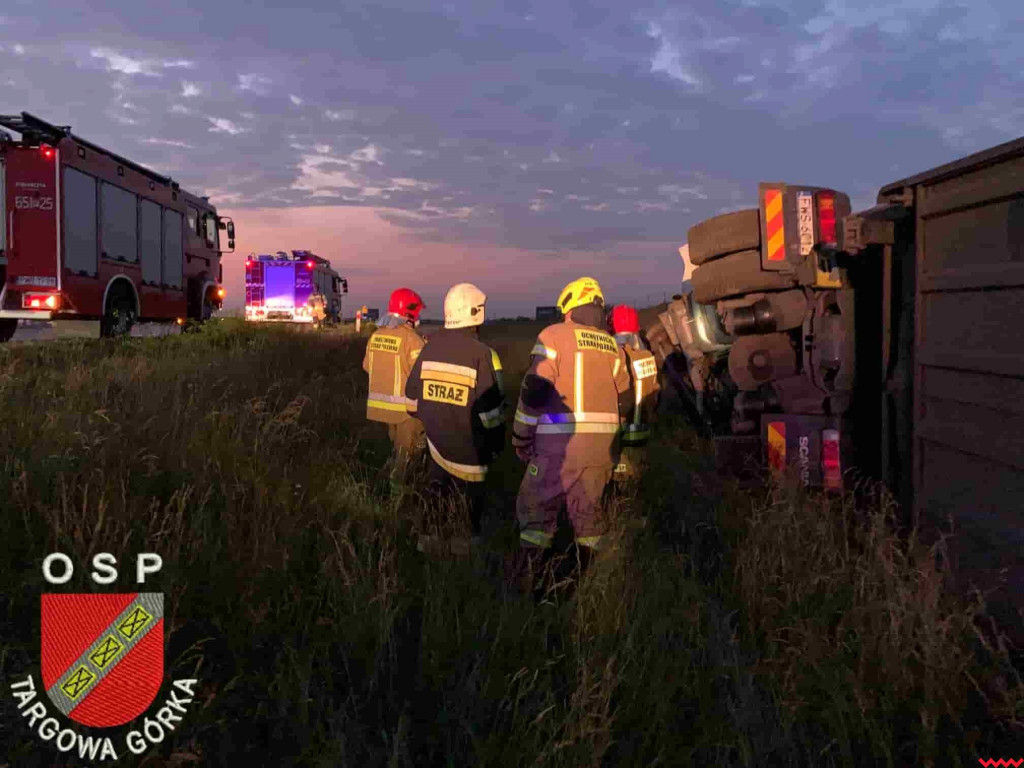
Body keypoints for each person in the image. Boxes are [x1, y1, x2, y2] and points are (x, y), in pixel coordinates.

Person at [511, 276, 630, 598]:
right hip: (603, 450)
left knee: (536, 514)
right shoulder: (612, 345)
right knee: (589, 518)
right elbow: (626, 396)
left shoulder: (553, 335)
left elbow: (535, 390)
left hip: (558, 447)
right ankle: (589, 586)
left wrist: (521, 436)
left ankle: (529, 589)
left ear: (569, 307)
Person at [405, 283, 506, 557]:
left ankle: (427, 560)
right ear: (475, 314)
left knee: (434, 509)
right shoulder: (481, 354)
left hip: (436, 451)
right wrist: (497, 445)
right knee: (467, 522)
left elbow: (411, 404)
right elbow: (491, 415)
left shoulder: (428, 349)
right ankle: (465, 571)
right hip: (472, 457)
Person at [362, 288, 427, 476]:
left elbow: (367, 366)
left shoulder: (375, 335)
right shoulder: (412, 339)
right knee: (407, 458)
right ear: (410, 312)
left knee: (396, 452)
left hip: (383, 410)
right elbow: (423, 374)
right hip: (407, 412)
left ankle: (384, 486)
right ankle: (397, 499)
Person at [608, 305, 661, 499]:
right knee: (639, 482)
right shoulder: (647, 356)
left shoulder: (613, 357)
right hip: (643, 430)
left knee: (621, 484)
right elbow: (655, 393)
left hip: (620, 434)